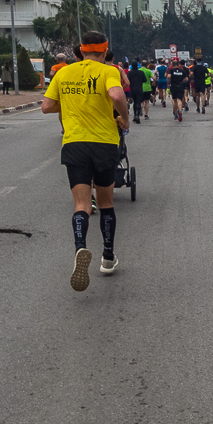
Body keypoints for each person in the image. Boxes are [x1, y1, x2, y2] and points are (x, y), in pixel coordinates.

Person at [41, 30, 129, 292]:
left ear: (80, 50)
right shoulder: (108, 71)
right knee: (105, 202)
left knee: (81, 204)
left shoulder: (63, 73)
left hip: (74, 143)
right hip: (103, 142)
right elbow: (116, 95)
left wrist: (69, 103)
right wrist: (124, 117)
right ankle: (108, 258)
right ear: (104, 50)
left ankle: (81, 247)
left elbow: (46, 106)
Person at [167, 57, 189, 122]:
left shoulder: (171, 70)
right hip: (180, 85)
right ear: (178, 64)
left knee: (174, 100)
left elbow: (168, 76)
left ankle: (176, 114)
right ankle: (180, 111)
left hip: (173, 85)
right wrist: (183, 81)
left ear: (173, 64)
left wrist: (169, 82)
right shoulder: (182, 71)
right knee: (179, 99)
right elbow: (187, 79)